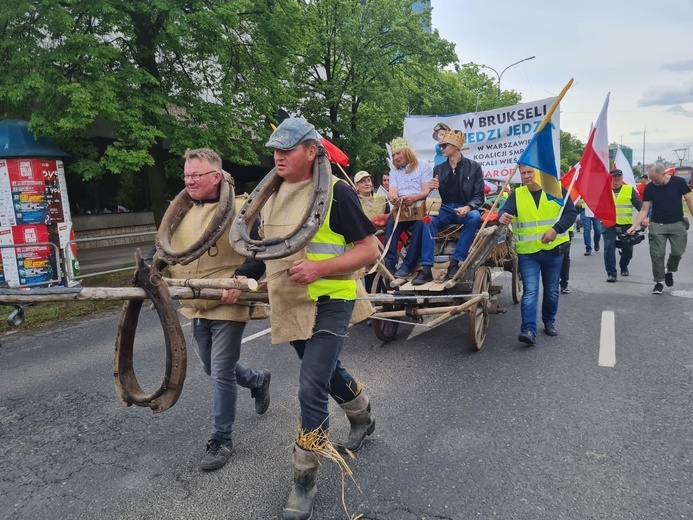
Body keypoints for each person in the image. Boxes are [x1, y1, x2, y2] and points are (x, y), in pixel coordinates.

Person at [244, 118, 379, 519]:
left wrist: (321, 269)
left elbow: (369, 250)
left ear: (310, 151)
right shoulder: (272, 193)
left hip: (331, 299)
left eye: (287, 150)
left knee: (311, 384)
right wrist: (242, 277)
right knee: (324, 369)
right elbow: (263, 248)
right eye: (275, 151)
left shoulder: (337, 191)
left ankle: (304, 479)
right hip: (292, 300)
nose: (278, 157)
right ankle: (363, 415)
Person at [164, 148, 271, 472]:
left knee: (221, 371)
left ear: (216, 176)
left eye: (196, 175)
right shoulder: (181, 213)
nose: (190, 181)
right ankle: (257, 380)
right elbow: (167, 250)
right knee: (212, 367)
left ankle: (221, 439)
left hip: (228, 302)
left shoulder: (242, 208)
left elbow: (259, 251)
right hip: (195, 304)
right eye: (186, 175)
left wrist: (239, 281)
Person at [498, 164, 577, 345]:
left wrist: (556, 229)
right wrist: (502, 215)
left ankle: (549, 321)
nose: (526, 176)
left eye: (530, 172)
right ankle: (528, 330)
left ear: (539, 173)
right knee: (530, 291)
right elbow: (504, 211)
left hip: (553, 252)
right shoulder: (517, 195)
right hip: (528, 254)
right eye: (523, 173)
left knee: (551, 291)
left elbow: (571, 213)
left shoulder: (556, 191)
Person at [413, 129, 484, 285]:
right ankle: (426, 268)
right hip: (444, 208)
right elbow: (434, 198)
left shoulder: (474, 167)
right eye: (440, 146)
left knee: (474, 216)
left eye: (444, 145)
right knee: (428, 220)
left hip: (465, 208)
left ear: (456, 147)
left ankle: (456, 262)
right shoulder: (439, 169)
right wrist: (433, 188)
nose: (441, 148)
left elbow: (479, 196)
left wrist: (469, 207)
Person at [627, 164, 693, 294]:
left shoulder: (678, 182)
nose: (654, 182)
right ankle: (659, 282)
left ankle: (669, 270)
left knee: (677, 252)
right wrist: (633, 227)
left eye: (656, 179)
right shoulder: (650, 188)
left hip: (677, 223)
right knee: (657, 255)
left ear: (664, 174)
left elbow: (689, 201)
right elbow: (644, 210)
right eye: (652, 180)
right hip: (657, 225)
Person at [384, 137, 432, 278]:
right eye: (393, 155)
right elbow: (392, 192)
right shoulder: (394, 172)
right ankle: (389, 261)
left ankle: (408, 264)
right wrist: (393, 198)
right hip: (401, 210)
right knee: (391, 224)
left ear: (407, 152)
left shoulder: (423, 166)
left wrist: (414, 198)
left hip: (419, 208)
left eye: (398, 153)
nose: (396, 157)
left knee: (420, 225)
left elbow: (426, 191)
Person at [602, 168, 643, 282]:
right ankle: (611, 273)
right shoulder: (604, 190)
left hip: (626, 223)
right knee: (609, 247)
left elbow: (639, 205)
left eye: (618, 176)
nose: (616, 178)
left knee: (628, 248)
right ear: (610, 178)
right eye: (614, 176)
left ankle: (623, 265)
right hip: (608, 223)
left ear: (622, 177)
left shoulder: (629, 189)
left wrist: (644, 217)